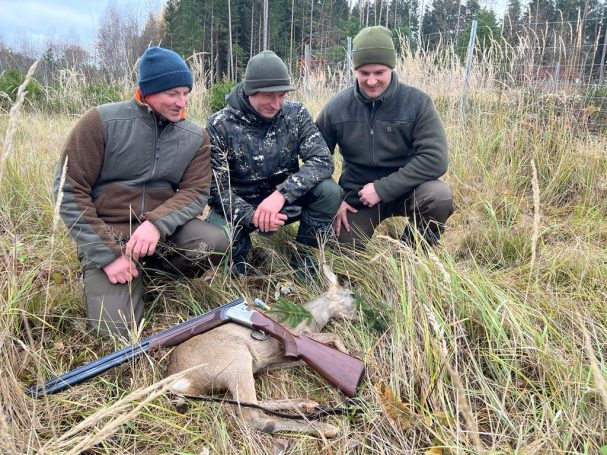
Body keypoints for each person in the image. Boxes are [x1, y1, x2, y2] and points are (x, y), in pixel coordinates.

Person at [54, 47, 229, 337]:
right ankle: (118, 274)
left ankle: (152, 274)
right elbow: (69, 191)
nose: (182, 102)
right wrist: (108, 255)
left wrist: (156, 224)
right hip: (109, 236)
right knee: (116, 336)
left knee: (215, 242)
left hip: (162, 235)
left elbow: (196, 191)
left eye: (186, 93)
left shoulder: (195, 137)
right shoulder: (100, 122)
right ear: (147, 90)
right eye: (172, 93)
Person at [316, 26, 454, 249]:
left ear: (391, 68)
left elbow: (435, 158)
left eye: (379, 72)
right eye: (364, 73)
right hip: (357, 197)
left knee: (438, 196)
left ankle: (410, 257)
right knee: (342, 256)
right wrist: (335, 200)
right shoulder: (336, 108)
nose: (371, 81)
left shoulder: (417, 103)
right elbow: (315, 159)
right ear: (355, 71)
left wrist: (382, 189)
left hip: (407, 188)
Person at [206, 50, 341, 276]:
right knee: (218, 239)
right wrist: (252, 215)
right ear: (250, 91)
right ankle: (242, 262)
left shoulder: (296, 114)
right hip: (240, 206)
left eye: (282, 95)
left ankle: (305, 259)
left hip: (285, 201)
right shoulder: (219, 125)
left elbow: (323, 161)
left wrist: (281, 195)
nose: (277, 104)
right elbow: (214, 189)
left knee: (330, 191)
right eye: (269, 96)